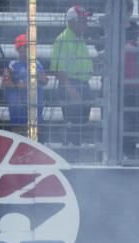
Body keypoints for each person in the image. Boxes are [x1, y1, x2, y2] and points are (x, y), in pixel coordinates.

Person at [51, 5, 96, 146]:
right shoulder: (63, 39)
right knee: (73, 127)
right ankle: (71, 158)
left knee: (81, 127)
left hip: (82, 85)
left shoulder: (79, 39)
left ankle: (75, 156)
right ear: (72, 21)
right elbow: (58, 70)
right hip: (70, 86)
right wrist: (71, 90)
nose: (86, 24)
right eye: (83, 21)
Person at [2, 34, 48, 138]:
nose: (31, 49)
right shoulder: (12, 65)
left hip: (36, 111)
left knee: (35, 139)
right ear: (19, 49)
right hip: (18, 111)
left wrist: (37, 75)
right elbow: (5, 83)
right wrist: (23, 87)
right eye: (27, 46)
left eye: (32, 47)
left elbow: (45, 80)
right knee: (19, 137)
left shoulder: (37, 64)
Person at [122, 0, 139, 158]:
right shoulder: (111, 29)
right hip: (115, 86)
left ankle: (130, 156)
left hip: (133, 87)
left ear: (129, 12)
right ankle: (114, 156)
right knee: (115, 122)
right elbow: (100, 48)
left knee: (131, 123)